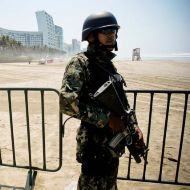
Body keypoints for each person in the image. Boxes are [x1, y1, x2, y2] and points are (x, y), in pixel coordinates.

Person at [60, 11, 144, 190]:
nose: (111, 35)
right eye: (105, 32)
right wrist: (107, 118)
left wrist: (134, 127)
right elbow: (67, 103)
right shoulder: (80, 63)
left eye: (113, 31)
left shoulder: (108, 65)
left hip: (112, 145)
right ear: (91, 36)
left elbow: (121, 103)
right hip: (94, 144)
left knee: (109, 183)